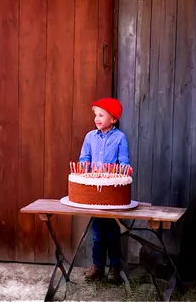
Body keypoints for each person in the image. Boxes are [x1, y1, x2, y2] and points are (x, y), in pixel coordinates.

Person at [78, 97, 130, 285]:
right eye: (96, 115)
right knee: (97, 233)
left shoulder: (120, 138)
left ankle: (115, 267)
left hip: (112, 193)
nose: (97, 119)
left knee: (112, 233)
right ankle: (97, 266)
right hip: (95, 192)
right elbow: (84, 158)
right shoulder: (90, 137)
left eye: (102, 115)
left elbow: (124, 163)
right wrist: (84, 167)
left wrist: (120, 172)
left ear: (113, 119)